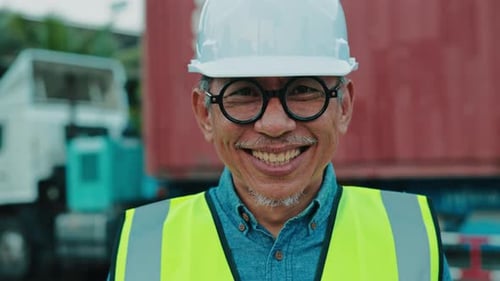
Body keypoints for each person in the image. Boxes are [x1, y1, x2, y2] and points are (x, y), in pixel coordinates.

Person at [108, 0, 452, 280]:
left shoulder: (409, 239)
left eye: (303, 90)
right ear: (204, 113)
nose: (275, 124)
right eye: (243, 92)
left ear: (343, 106)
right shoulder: (144, 248)